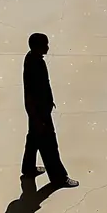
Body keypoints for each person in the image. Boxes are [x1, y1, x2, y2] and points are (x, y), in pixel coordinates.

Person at [21, 32, 78, 188]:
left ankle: (28, 168)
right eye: (45, 44)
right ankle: (59, 177)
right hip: (40, 112)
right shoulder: (36, 64)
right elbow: (36, 90)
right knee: (49, 145)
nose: (47, 47)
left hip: (36, 111)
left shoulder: (32, 58)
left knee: (33, 139)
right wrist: (39, 115)